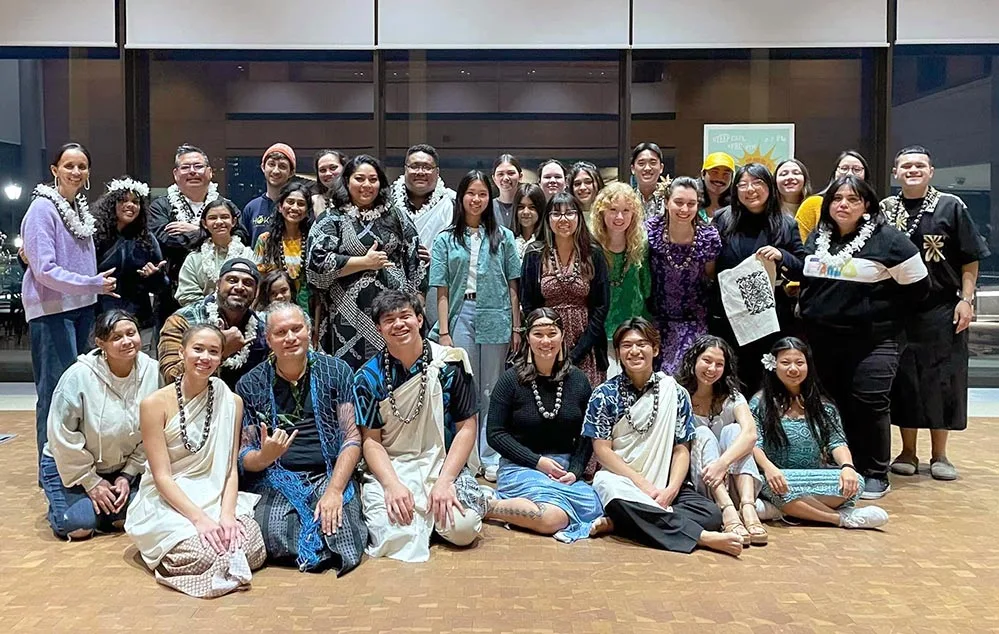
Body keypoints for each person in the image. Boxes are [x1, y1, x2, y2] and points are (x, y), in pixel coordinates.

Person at [799, 175, 929, 499]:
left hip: (875, 340)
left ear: (867, 205)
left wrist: (879, 313)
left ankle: (874, 471)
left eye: (852, 199)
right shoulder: (820, 237)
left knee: (869, 401)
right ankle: (844, 465)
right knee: (833, 403)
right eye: (837, 198)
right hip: (824, 339)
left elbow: (919, 288)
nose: (843, 204)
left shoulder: (890, 241)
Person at [126, 324, 265, 598]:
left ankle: (222, 562)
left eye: (213, 351)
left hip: (215, 495)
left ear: (221, 358)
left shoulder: (232, 401)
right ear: (182, 352)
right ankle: (212, 562)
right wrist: (200, 519)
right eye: (198, 349)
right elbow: (162, 476)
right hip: (170, 499)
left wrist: (226, 515)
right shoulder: (154, 404)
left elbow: (228, 470)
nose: (205, 357)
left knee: (251, 543)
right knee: (201, 552)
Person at [583, 318, 744, 557]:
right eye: (627, 345)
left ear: (655, 349)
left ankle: (623, 523)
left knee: (710, 514)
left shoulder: (675, 392)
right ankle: (701, 537)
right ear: (617, 352)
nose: (635, 351)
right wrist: (641, 484)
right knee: (613, 494)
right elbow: (602, 451)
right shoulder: (604, 394)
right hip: (622, 480)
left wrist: (671, 489)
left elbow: (682, 448)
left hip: (663, 479)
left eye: (642, 344)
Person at [353, 290, 488, 562]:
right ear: (379, 328)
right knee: (390, 535)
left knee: (463, 530)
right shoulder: (367, 377)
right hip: (393, 464)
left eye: (405, 316)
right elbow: (372, 441)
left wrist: (445, 481)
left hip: (441, 461)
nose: (399, 324)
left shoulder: (450, 363)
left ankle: (439, 513)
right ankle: (427, 519)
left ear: (419, 318)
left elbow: (466, 428)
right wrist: (391, 485)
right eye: (389, 320)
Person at [881, 145, 990, 481]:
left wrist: (966, 300)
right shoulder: (885, 209)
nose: (913, 171)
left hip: (942, 307)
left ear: (930, 172)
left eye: (919, 166)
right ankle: (908, 451)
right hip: (897, 309)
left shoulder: (951, 206)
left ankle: (940, 454)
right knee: (904, 379)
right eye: (906, 166)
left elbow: (970, 256)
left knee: (942, 379)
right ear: (896, 173)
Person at [236, 303, 367, 574]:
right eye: (281, 332)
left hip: (329, 472)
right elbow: (244, 454)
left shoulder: (337, 371)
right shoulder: (251, 383)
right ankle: (313, 548)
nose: (290, 338)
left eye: (297, 329)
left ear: (309, 331)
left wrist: (334, 490)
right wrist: (264, 457)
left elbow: (351, 438)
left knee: (343, 531)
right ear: (268, 339)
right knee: (271, 530)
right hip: (276, 478)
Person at [23, 142, 117, 463]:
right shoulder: (42, 209)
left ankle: (75, 464)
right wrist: (93, 283)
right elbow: (44, 270)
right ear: (54, 170)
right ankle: (50, 470)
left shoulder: (78, 209)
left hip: (82, 311)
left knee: (81, 393)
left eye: (82, 166)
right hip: (53, 313)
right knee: (54, 394)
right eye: (69, 166)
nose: (76, 172)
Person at [430, 170, 522, 482]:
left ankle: (491, 455)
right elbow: (440, 289)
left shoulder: (505, 237)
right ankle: (466, 456)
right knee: (463, 386)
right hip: (460, 315)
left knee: (492, 388)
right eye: (471, 193)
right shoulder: (445, 239)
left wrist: (517, 327)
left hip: (496, 314)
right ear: (461, 197)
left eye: (483, 194)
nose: (477, 199)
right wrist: (443, 331)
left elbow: (513, 285)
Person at [40, 310, 160, 540]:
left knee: (126, 521)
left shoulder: (153, 373)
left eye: (131, 333)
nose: (127, 342)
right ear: (100, 343)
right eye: (117, 337)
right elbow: (61, 436)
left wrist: (128, 474)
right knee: (79, 527)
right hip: (69, 464)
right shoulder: (78, 376)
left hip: (119, 467)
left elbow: (153, 431)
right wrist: (90, 481)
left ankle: (103, 509)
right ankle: (67, 501)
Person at [485, 309, 603, 541]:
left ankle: (520, 510)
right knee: (551, 518)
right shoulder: (511, 379)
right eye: (538, 334)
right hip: (520, 467)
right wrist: (537, 462)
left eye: (552, 333)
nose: (546, 341)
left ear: (562, 336)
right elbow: (495, 433)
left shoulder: (578, 380)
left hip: (562, 470)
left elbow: (587, 434)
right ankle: (487, 505)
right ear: (528, 338)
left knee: (596, 507)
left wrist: (575, 471)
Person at [750, 337, 889, 529]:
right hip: (774, 476)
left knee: (855, 481)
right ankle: (841, 519)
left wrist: (847, 467)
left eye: (799, 363)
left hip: (811, 476)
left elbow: (836, 441)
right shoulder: (759, 403)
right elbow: (753, 442)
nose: (793, 369)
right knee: (772, 486)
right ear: (773, 365)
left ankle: (783, 509)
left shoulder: (823, 406)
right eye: (785, 363)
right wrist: (769, 468)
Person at [306, 155, 426, 369]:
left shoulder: (396, 216)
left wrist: (417, 305)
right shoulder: (331, 218)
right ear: (347, 181)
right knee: (349, 378)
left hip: (394, 313)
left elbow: (415, 261)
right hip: (346, 315)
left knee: (396, 373)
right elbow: (316, 265)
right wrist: (364, 262)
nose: (367, 185)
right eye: (359, 178)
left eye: (373, 179)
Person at [711, 163, 806, 393]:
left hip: (772, 319)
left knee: (768, 383)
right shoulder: (722, 219)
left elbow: (802, 267)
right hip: (730, 318)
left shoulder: (786, 223)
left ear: (770, 188)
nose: (750, 189)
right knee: (732, 381)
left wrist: (782, 255)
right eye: (742, 184)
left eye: (757, 183)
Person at [677, 335, 766, 546]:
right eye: (707, 361)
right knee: (702, 433)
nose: (712, 369)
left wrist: (722, 464)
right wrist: (716, 468)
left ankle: (747, 506)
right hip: (703, 483)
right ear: (694, 361)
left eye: (719, 364)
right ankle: (727, 509)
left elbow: (751, 434)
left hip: (735, 480)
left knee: (736, 430)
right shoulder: (680, 394)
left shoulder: (732, 396)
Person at [521, 191, 609, 386]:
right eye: (556, 214)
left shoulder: (593, 253)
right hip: (546, 343)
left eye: (569, 213)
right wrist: (545, 337)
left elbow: (601, 306)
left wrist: (577, 352)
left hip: (587, 343)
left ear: (578, 216)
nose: (563, 219)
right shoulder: (535, 253)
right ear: (547, 219)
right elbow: (527, 304)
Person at [647, 176, 722, 374]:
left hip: (694, 319)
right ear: (666, 202)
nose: (684, 209)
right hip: (656, 317)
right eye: (678, 202)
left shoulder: (708, 237)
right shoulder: (650, 232)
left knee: (682, 373)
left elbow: (710, 276)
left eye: (691, 204)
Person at [160, 258, 267, 388]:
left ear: (256, 292)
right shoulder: (183, 320)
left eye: (248, 283)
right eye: (232, 280)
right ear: (218, 284)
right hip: (192, 405)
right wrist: (221, 351)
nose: (239, 287)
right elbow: (172, 379)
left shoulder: (262, 330)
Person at [148, 144, 224, 322]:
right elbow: (166, 241)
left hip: (219, 296)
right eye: (185, 167)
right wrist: (212, 234)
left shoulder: (223, 205)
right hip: (171, 296)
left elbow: (239, 236)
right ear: (175, 174)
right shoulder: (161, 207)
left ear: (210, 172)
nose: (192, 172)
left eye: (198, 166)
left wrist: (198, 230)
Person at [93, 177, 169, 354]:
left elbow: (162, 287)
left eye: (135, 202)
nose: (130, 205)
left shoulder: (147, 240)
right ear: (111, 203)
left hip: (138, 322)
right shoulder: (93, 236)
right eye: (123, 200)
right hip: (98, 320)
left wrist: (154, 276)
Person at [388, 145, 455, 327]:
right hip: (392, 288)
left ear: (437, 171)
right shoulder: (386, 203)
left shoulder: (453, 204)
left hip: (441, 290)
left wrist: (438, 258)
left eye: (427, 167)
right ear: (405, 169)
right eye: (414, 166)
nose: (420, 172)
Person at [589, 182, 651, 377]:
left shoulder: (641, 244)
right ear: (601, 212)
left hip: (633, 329)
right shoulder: (590, 246)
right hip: (599, 331)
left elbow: (646, 287)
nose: (619, 217)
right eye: (613, 210)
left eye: (626, 210)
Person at [175, 198, 255, 307]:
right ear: (204, 223)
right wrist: (211, 312)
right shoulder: (194, 259)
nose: (219, 222)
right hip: (201, 319)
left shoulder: (248, 255)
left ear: (234, 221)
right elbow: (186, 295)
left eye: (224, 217)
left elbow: (256, 290)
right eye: (213, 218)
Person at [253, 181, 312, 311]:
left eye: (301, 204)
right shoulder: (265, 240)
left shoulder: (312, 241)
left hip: (307, 309)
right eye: (290, 202)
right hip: (272, 309)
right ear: (280, 207)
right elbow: (258, 282)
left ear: (307, 211)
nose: (295, 208)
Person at [795, 150, 872, 242]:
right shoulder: (813, 203)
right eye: (844, 168)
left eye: (857, 169)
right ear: (835, 173)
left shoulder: (872, 206)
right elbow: (798, 246)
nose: (849, 174)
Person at [241, 143, 297, 246]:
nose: (276, 171)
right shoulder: (251, 208)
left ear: (291, 172)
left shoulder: (297, 207)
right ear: (263, 167)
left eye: (282, 166)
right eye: (271, 164)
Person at [631, 143, 667, 217]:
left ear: (661, 168)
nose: (647, 168)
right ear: (633, 169)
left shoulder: (669, 199)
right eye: (641, 163)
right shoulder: (627, 199)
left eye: (653, 163)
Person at [312, 149, 348, 217]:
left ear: (344, 168)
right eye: (322, 170)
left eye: (333, 168)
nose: (327, 173)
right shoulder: (314, 201)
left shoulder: (357, 197)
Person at [699, 152, 735, 221]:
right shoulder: (691, 202)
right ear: (703, 174)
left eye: (726, 174)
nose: (720, 178)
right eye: (714, 172)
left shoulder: (736, 206)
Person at [514, 183, 545, 258]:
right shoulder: (507, 239)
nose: (526, 212)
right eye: (521, 207)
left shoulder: (549, 242)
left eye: (532, 207)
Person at [492, 154, 522, 229]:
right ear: (494, 179)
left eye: (511, 173)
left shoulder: (527, 206)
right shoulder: (488, 207)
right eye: (500, 174)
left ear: (520, 176)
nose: (505, 178)